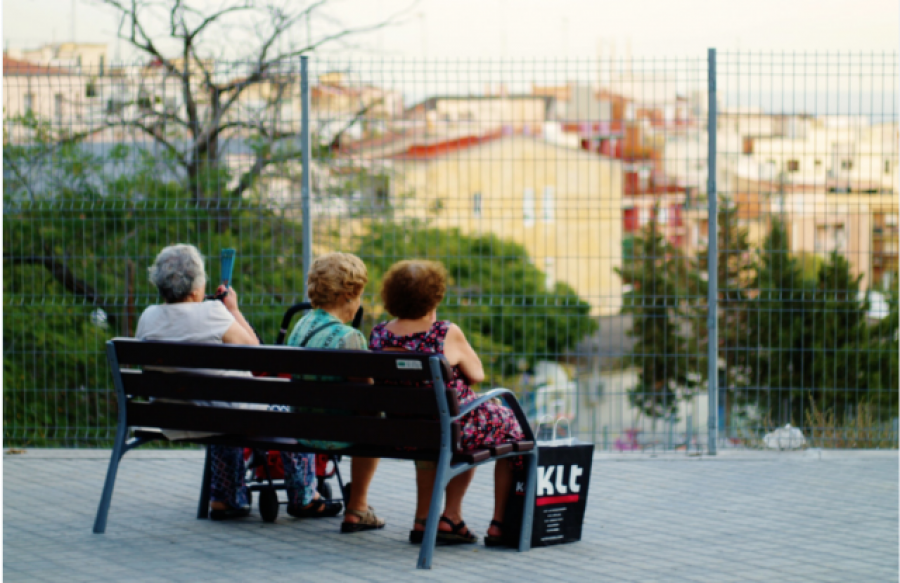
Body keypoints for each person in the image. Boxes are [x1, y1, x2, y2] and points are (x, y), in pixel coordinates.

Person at [135, 244, 341, 521]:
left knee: (223, 412)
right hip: (227, 416)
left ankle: (226, 498)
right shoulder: (212, 313)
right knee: (289, 409)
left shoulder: (148, 318)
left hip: (173, 417)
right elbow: (256, 354)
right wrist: (232, 309)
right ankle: (304, 496)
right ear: (196, 288)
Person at [368, 259, 525, 546]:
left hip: (401, 432)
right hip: (444, 430)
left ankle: (442, 518)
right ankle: (495, 523)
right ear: (435, 296)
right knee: (509, 426)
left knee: (464, 423)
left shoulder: (379, 334)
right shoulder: (444, 333)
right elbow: (477, 374)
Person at [284, 252, 385, 533]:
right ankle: (357, 508)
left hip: (303, 429)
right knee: (373, 422)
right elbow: (368, 400)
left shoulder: (299, 326)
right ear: (349, 294)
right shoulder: (350, 337)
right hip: (336, 435)